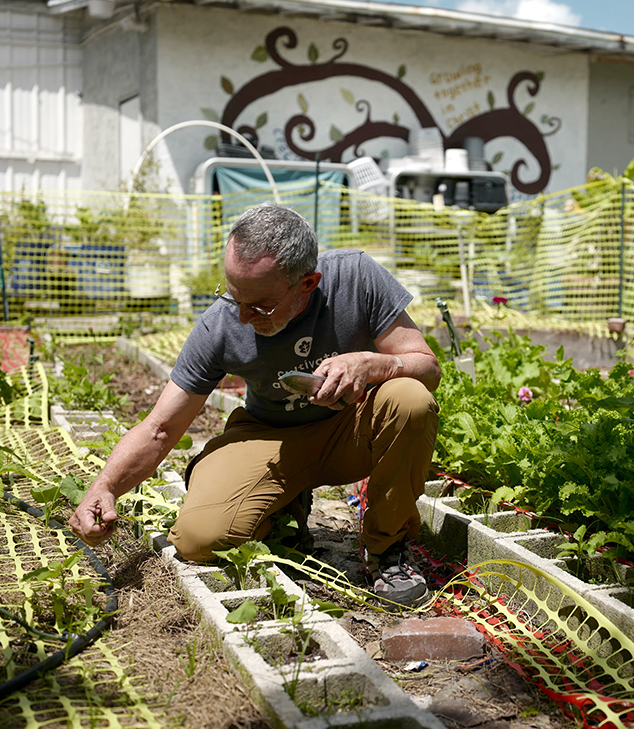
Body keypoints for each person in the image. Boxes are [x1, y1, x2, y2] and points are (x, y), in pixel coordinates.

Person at [68, 203, 441, 606]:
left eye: (260, 306)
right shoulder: (219, 325)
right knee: (197, 538)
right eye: (233, 296)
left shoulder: (355, 277)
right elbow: (160, 428)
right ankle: (284, 508)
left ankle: (388, 549)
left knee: (411, 399)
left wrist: (371, 363)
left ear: (308, 283)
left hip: (348, 431)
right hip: (268, 437)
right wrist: (105, 487)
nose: (243, 316)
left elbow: (427, 367)